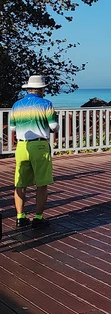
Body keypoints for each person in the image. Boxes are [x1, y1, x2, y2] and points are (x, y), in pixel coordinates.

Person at [9, 75, 58, 229]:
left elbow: (12, 128)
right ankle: (38, 217)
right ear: (41, 89)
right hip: (39, 145)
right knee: (42, 183)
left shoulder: (17, 105)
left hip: (21, 146)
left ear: (28, 88)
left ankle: (20, 217)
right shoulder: (46, 104)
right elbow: (54, 126)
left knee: (20, 183)